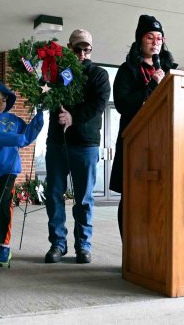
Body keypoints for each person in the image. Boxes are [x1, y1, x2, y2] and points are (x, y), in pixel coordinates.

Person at [44, 29, 111, 264]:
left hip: (86, 144)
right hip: (57, 143)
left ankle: (83, 245)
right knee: (54, 195)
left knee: (83, 198)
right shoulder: (55, 72)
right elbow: (43, 96)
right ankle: (58, 244)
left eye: (87, 50)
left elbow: (98, 104)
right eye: (77, 49)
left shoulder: (99, 74)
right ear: (69, 48)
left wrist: (73, 117)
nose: (82, 54)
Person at [110, 15, 178, 237]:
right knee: (131, 196)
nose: (155, 41)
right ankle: (130, 252)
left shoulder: (171, 70)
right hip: (136, 143)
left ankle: (155, 252)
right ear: (140, 40)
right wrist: (152, 86)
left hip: (164, 142)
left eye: (159, 38)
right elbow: (122, 105)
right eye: (150, 37)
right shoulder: (127, 70)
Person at [0, 78, 44, 267]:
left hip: (9, 170)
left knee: (3, 205)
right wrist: (17, 139)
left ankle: (3, 246)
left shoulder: (13, 120)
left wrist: (38, 114)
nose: (0, 103)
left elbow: (28, 135)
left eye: (4, 100)